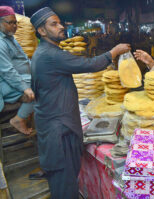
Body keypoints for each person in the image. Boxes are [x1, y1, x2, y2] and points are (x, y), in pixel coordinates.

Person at [30, 7, 130, 199]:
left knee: (65, 182)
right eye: (54, 24)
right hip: (59, 131)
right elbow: (88, 65)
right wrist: (113, 52)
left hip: (54, 125)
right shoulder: (50, 55)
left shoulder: (44, 52)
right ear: (41, 31)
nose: (61, 27)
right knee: (64, 186)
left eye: (60, 22)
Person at [0, 6, 35, 135]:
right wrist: (25, 88)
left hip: (16, 79)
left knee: (45, 78)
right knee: (39, 87)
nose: (15, 26)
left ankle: (28, 114)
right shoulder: (0, 43)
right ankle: (18, 119)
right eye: (11, 23)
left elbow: (24, 59)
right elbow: (7, 72)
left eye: (15, 22)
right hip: (5, 84)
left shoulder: (11, 39)